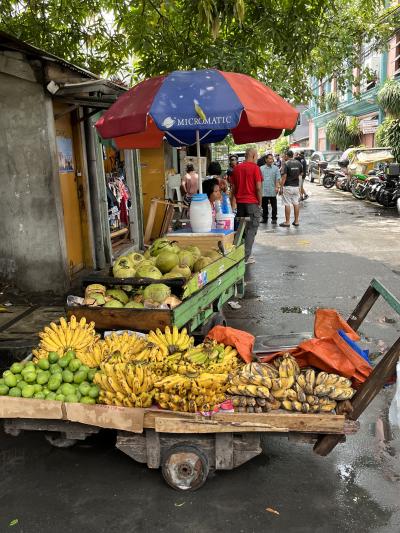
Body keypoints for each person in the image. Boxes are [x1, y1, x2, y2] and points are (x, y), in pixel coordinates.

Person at [230, 147, 263, 264]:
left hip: (240, 204)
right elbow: (258, 188)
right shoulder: (256, 168)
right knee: (251, 230)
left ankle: (238, 254)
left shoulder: (237, 168)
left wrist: (232, 203)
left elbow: (233, 189)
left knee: (242, 230)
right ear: (253, 155)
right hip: (252, 203)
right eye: (257, 155)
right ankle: (245, 257)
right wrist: (260, 202)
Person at [279, 149, 303, 227]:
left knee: (287, 204)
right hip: (296, 186)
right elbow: (301, 174)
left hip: (288, 186)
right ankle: (296, 221)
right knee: (296, 203)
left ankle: (287, 222)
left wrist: (281, 187)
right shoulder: (298, 163)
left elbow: (284, 177)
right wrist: (299, 187)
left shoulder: (286, 164)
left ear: (286, 156)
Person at [260, 153, 281, 224]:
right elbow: (259, 179)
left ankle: (274, 218)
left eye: (272, 159)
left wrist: (277, 187)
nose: (271, 160)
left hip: (272, 189)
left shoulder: (276, 168)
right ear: (266, 160)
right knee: (264, 205)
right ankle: (265, 218)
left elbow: (278, 178)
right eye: (269, 158)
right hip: (264, 189)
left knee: (274, 205)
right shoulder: (261, 168)